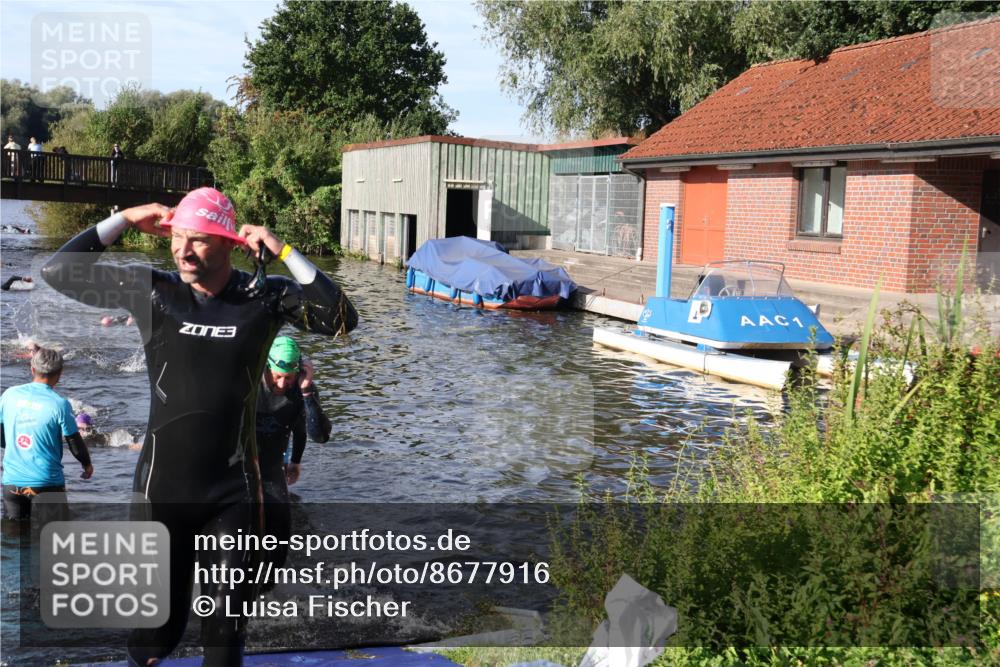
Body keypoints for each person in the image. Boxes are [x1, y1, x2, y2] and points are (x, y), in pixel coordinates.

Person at [41, 186, 358, 666]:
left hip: (233, 495)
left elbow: (340, 319)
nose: (183, 250)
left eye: (199, 241)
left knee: (225, 636)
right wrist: (125, 218)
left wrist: (284, 251)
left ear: (230, 243)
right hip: (160, 492)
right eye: (177, 238)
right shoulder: (154, 290)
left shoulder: (263, 297)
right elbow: (58, 272)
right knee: (154, 636)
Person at [256, 336, 331, 582]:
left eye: (288, 377)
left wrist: (307, 390)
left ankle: (268, 587)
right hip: (239, 460)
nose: (281, 383)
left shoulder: (300, 387)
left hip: (271, 463)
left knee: (280, 524)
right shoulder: (249, 382)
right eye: (277, 375)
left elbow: (316, 434)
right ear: (267, 367)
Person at [0, 348, 93, 520]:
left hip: (12, 483)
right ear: (60, 373)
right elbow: (74, 441)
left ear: (32, 369)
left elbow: (1, 435)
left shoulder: (9, 395)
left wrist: (13, 446)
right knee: (56, 539)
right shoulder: (60, 404)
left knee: (13, 539)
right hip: (48, 483)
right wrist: (86, 465)